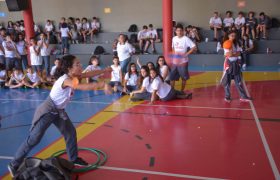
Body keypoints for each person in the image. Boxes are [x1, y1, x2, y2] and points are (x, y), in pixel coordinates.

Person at [7, 55, 112, 178]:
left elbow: (88, 74)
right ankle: (14, 164)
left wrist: (104, 71)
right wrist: (102, 84)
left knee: (70, 133)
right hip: (48, 111)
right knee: (33, 140)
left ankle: (74, 159)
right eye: (77, 64)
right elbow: (81, 87)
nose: (81, 66)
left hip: (59, 111)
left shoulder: (74, 76)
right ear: (69, 68)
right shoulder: (65, 80)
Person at [221, 31, 251, 102]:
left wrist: (234, 53)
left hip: (236, 63)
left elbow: (239, 53)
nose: (233, 37)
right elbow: (228, 55)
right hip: (228, 64)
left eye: (234, 36)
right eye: (232, 35)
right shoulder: (226, 43)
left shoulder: (236, 43)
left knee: (238, 81)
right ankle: (227, 97)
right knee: (227, 81)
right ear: (228, 36)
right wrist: (231, 49)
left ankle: (243, 96)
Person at [170, 24, 196, 93]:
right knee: (172, 77)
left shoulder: (186, 38)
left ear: (183, 31)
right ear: (175, 31)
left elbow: (193, 47)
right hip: (175, 62)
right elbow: (173, 48)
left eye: (180, 30)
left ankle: (182, 91)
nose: (179, 32)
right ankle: (171, 91)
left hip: (183, 62)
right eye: (177, 30)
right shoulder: (174, 38)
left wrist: (186, 54)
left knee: (183, 78)